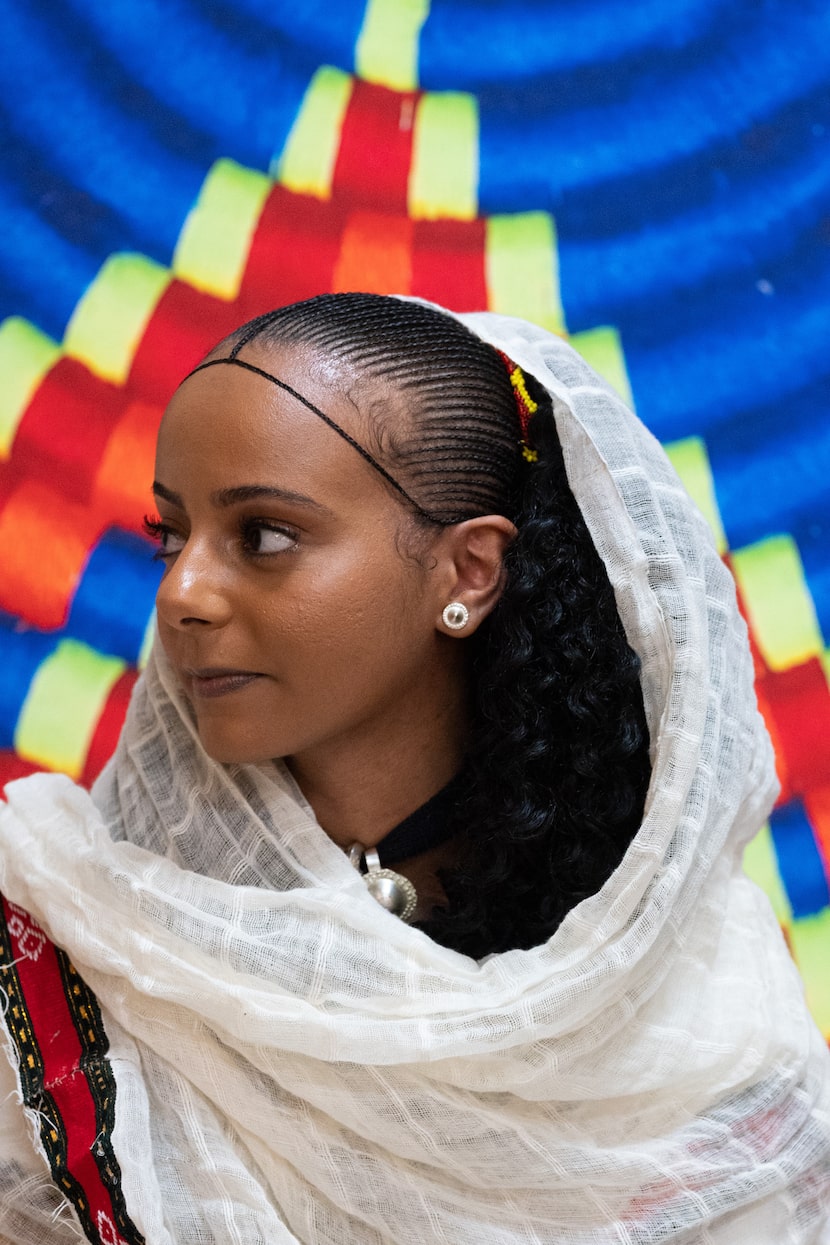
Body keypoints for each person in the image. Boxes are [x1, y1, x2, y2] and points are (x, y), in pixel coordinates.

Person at [0, 294, 827, 1243]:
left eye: (264, 535)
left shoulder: (701, 1022)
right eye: (172, 534)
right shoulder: (78, 957)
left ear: (468, 571)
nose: (182, 592)